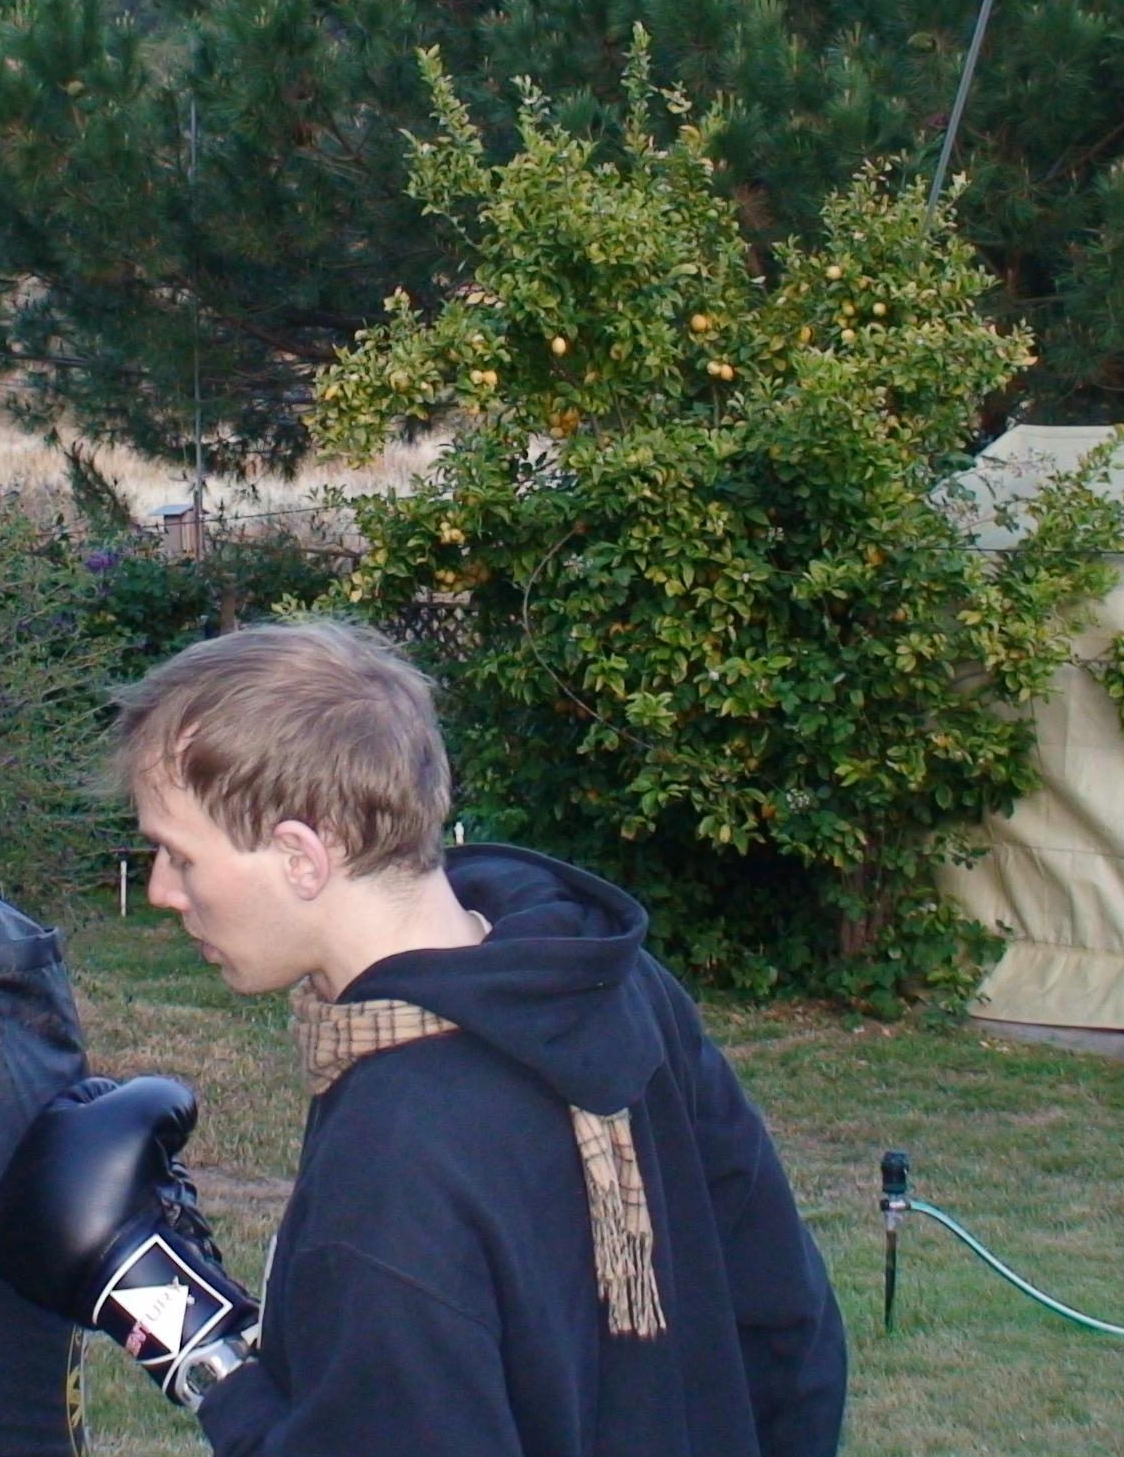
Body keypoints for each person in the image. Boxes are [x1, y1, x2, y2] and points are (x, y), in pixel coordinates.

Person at [109, 618, 848, 1457]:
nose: (162, 890)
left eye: (179, 856)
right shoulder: (614, 986)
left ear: (301, 857)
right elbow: (790, 1330)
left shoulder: (396, 1149)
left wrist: (191, 1348)